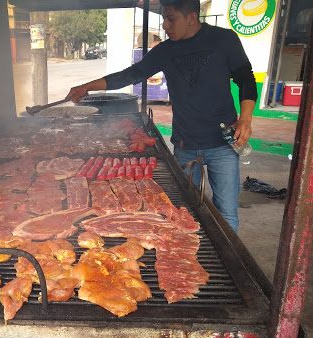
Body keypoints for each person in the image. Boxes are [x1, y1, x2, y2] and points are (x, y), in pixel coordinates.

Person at [66, 0, 257, 233]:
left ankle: (232, 265)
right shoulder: (166, 51)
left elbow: (245, 78)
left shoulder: (223, 40)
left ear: (192, 18)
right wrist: (87, 86)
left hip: (224, 144)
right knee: (184, 210)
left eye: (171, 18)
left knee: (225, 211)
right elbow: (131, 74)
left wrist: (245, 119)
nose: (165, 25)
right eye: (163, 19)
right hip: (186, 144)